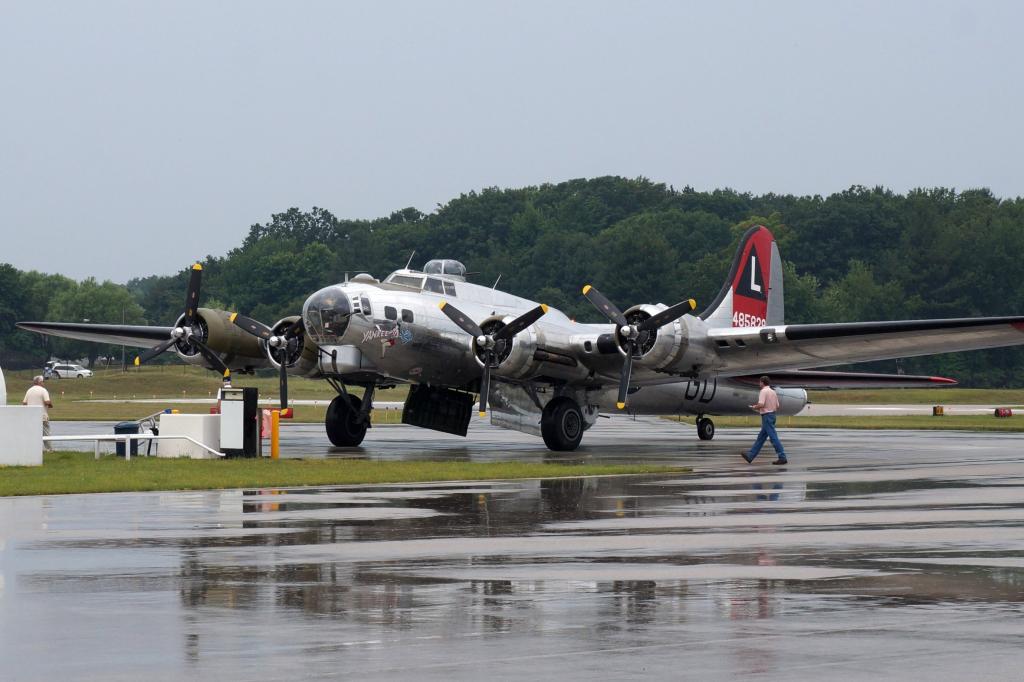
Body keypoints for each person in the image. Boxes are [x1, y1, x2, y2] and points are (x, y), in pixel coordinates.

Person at [742, 376, 787, 465]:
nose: (759, 384)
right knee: (761, 437)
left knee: (773, 438)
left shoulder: (763, 391)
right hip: (772, 415)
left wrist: (754, 407)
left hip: (766, 416)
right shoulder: (773, 392)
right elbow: (777, 405)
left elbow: (761, 404)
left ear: (762, 382)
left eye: (760, 382)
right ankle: (750, 456)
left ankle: (782, 457)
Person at [22, 375, 54, 451]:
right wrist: (50, 405)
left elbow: (24, 403)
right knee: (46, 433)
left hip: (31, 417)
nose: (44, 383)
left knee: (32, 433)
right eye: (43, 381)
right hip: (42, 416)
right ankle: (49, 449)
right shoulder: (43, 390)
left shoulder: (29, 390)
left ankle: (33, 449)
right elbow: (47, 401)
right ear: (40, 382)